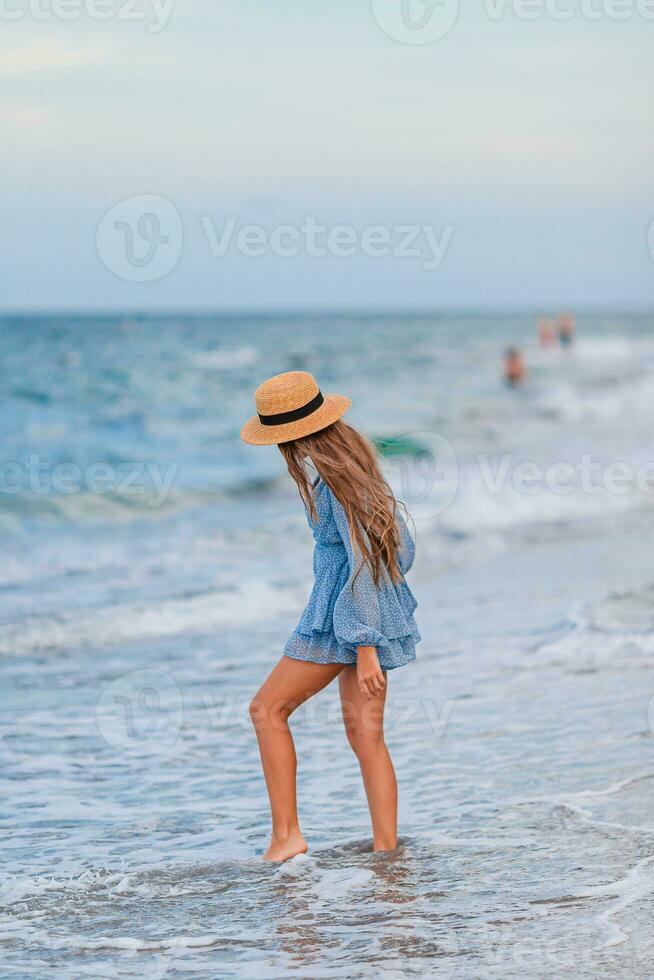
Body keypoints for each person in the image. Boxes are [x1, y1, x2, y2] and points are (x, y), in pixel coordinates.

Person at [241, 371, 420, 862]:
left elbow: (363, 559)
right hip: (365, 615)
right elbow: (400, 551)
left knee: (266, 710)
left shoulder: (336, 484)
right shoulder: (357, 469)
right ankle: (387, 853)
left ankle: (286, 837)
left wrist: (363, 646)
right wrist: (373, 627)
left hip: (341, 620)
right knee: (367, 738)